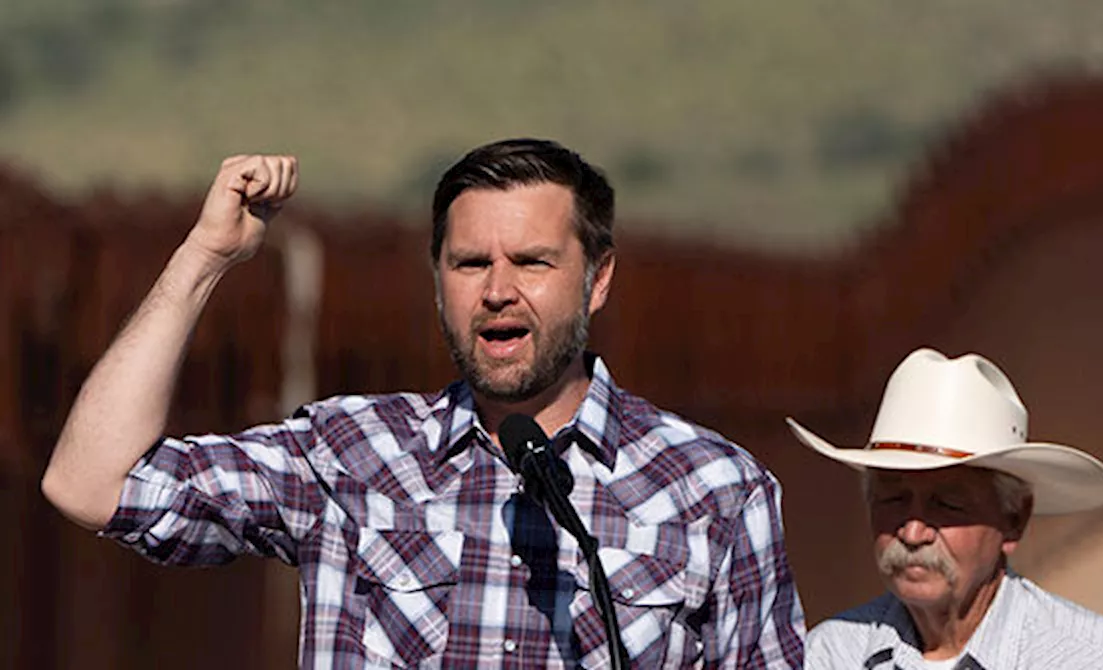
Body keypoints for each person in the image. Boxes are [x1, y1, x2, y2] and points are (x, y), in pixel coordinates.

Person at [42, 139, 806, 668]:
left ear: (598, 279)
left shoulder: (715, 492)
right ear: (437, 279)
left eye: (533, 262)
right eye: (470, 263)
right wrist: (204, 259)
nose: (498, 290)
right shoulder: (350, 455)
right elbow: (90, 483)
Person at [787, 348, 1103, 669]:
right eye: (893, 500)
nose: (913, 534)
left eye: (947, 505)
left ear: (1014, 520)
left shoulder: (1095, 660)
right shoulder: (831, 655)